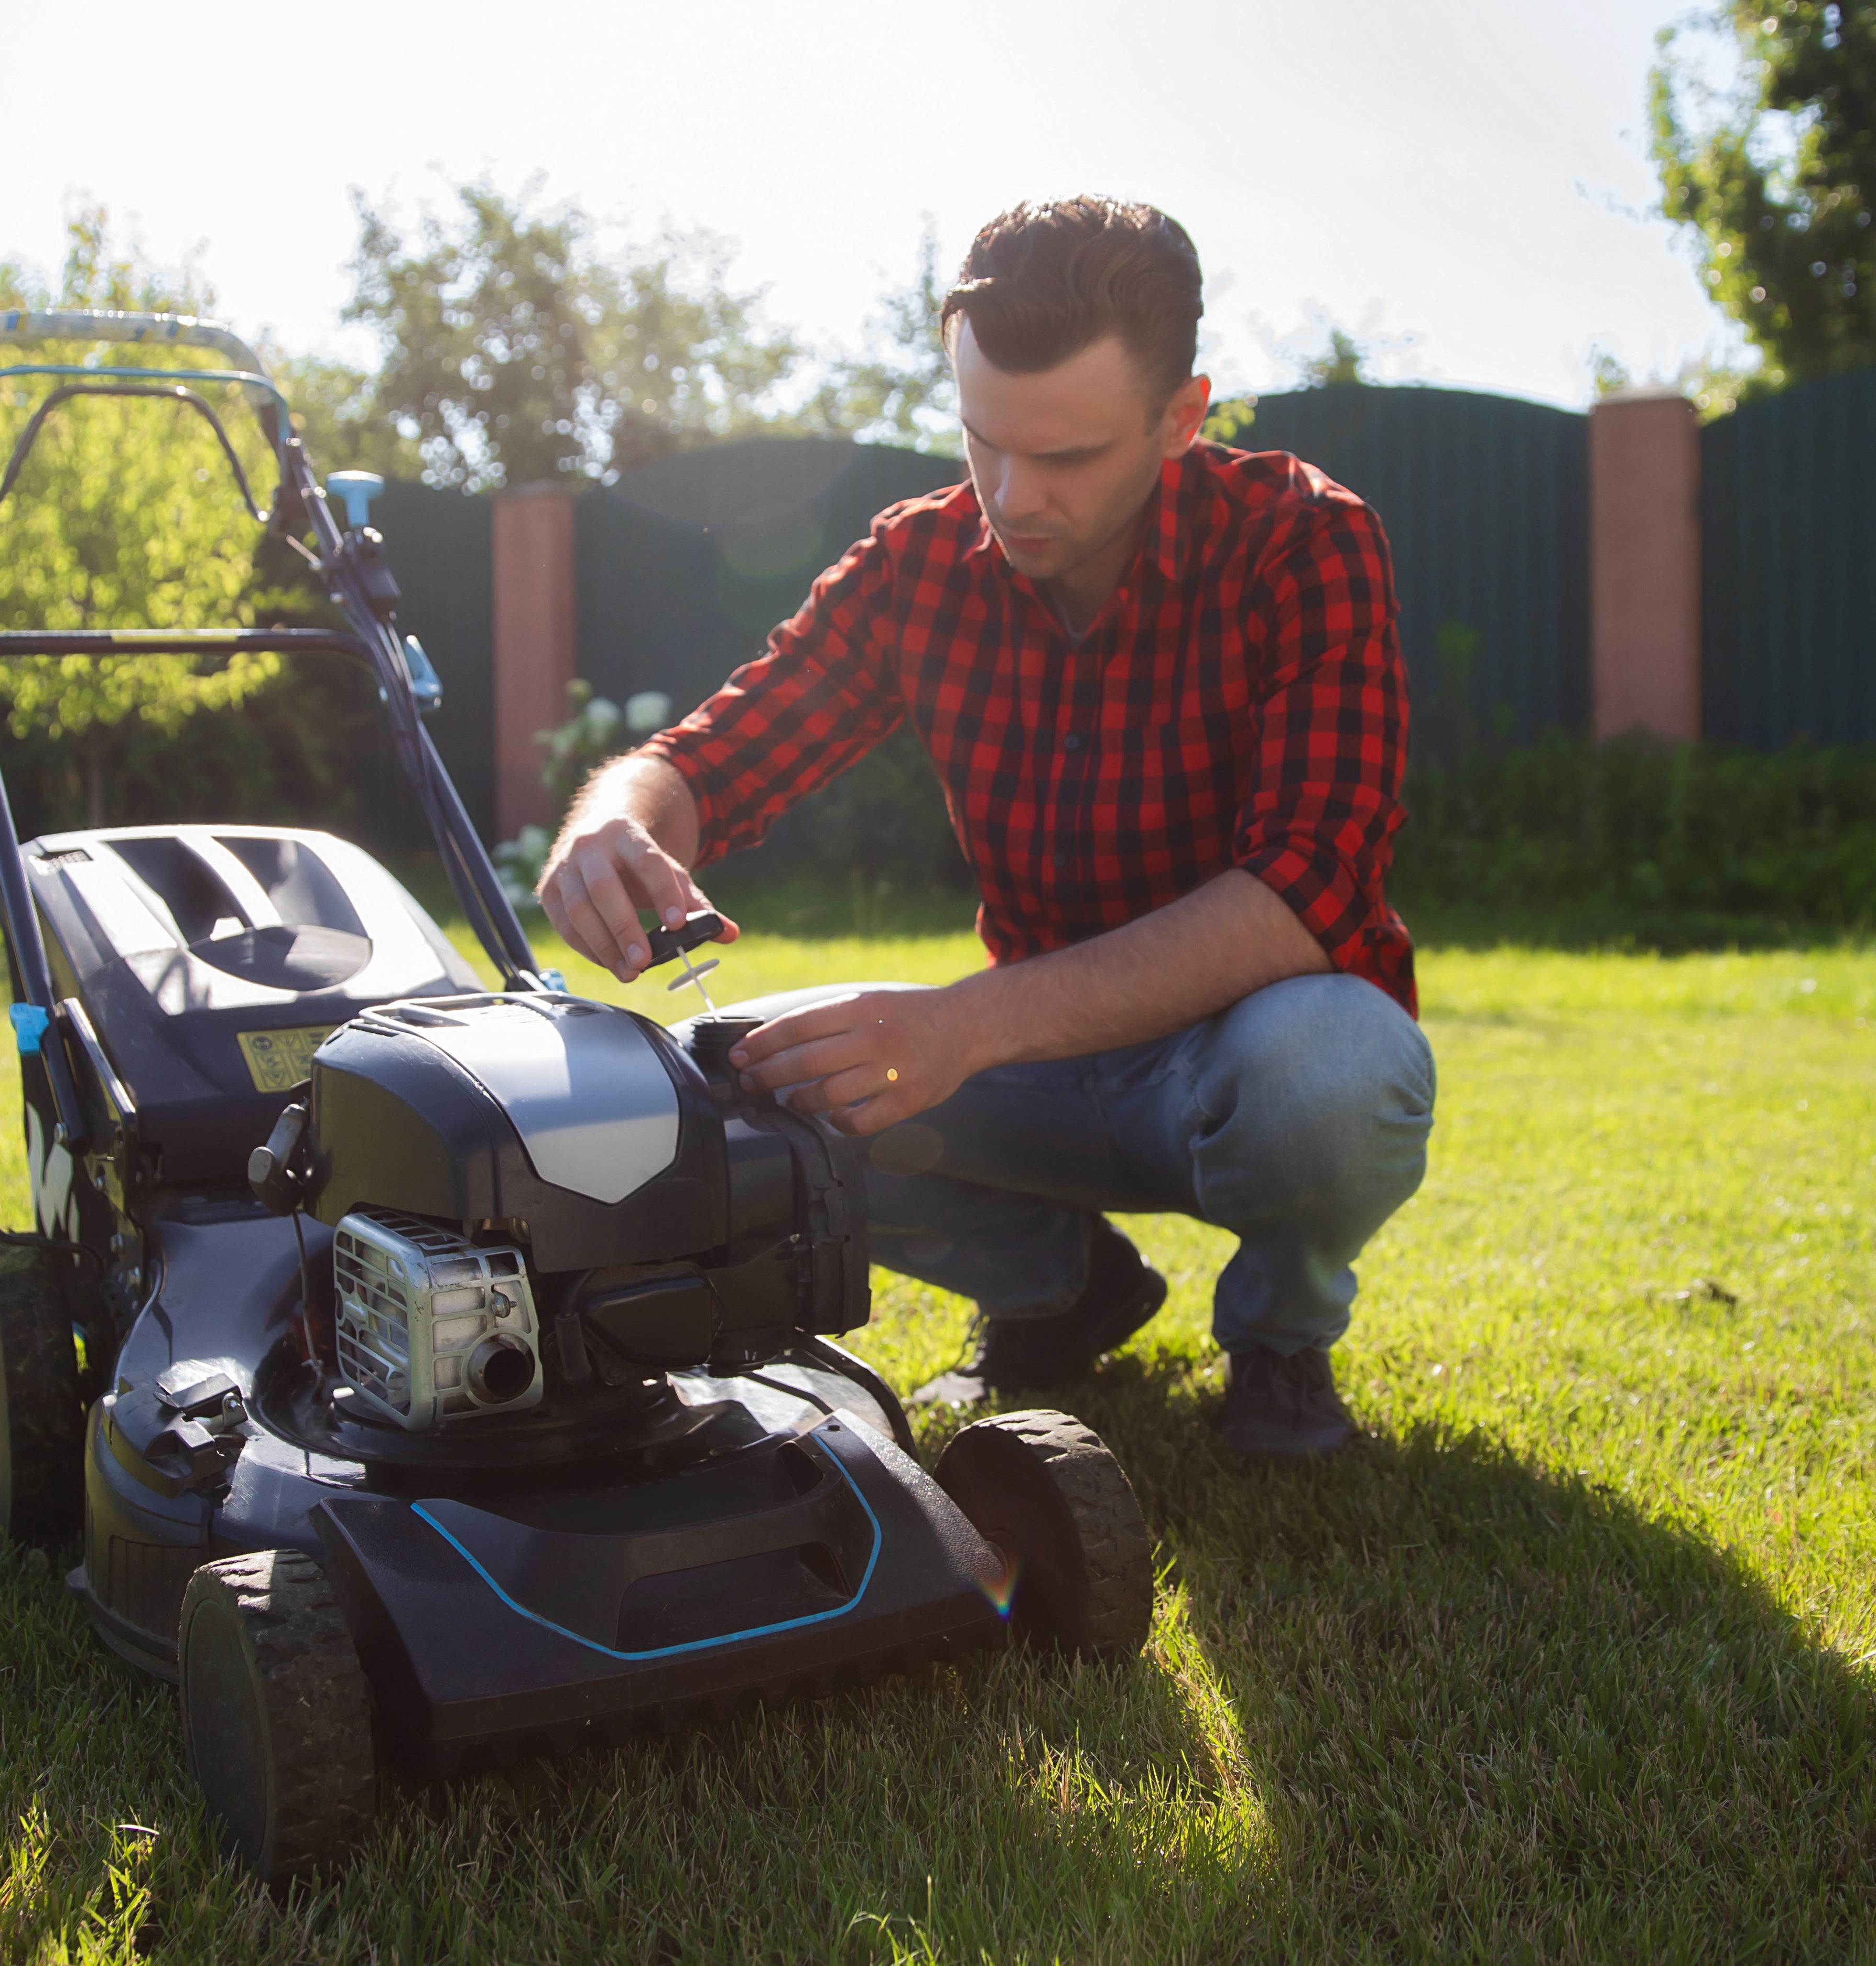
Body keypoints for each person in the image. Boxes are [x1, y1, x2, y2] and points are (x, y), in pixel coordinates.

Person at [535, 197, 1435, 1461]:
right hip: (1031, 1070)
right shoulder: (918, 564)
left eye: (1067, 458)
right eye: (982, 441)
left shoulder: (1302, 539)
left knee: (1334, 1069)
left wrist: (958, 1026)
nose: (1014, 497)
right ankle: (1060, 1293)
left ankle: (1280, 1344)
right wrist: (617, 822)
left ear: (1181, 420)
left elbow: (1305, 888)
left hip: (1242, 1054)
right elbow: (705, 761)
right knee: (718, 1084)